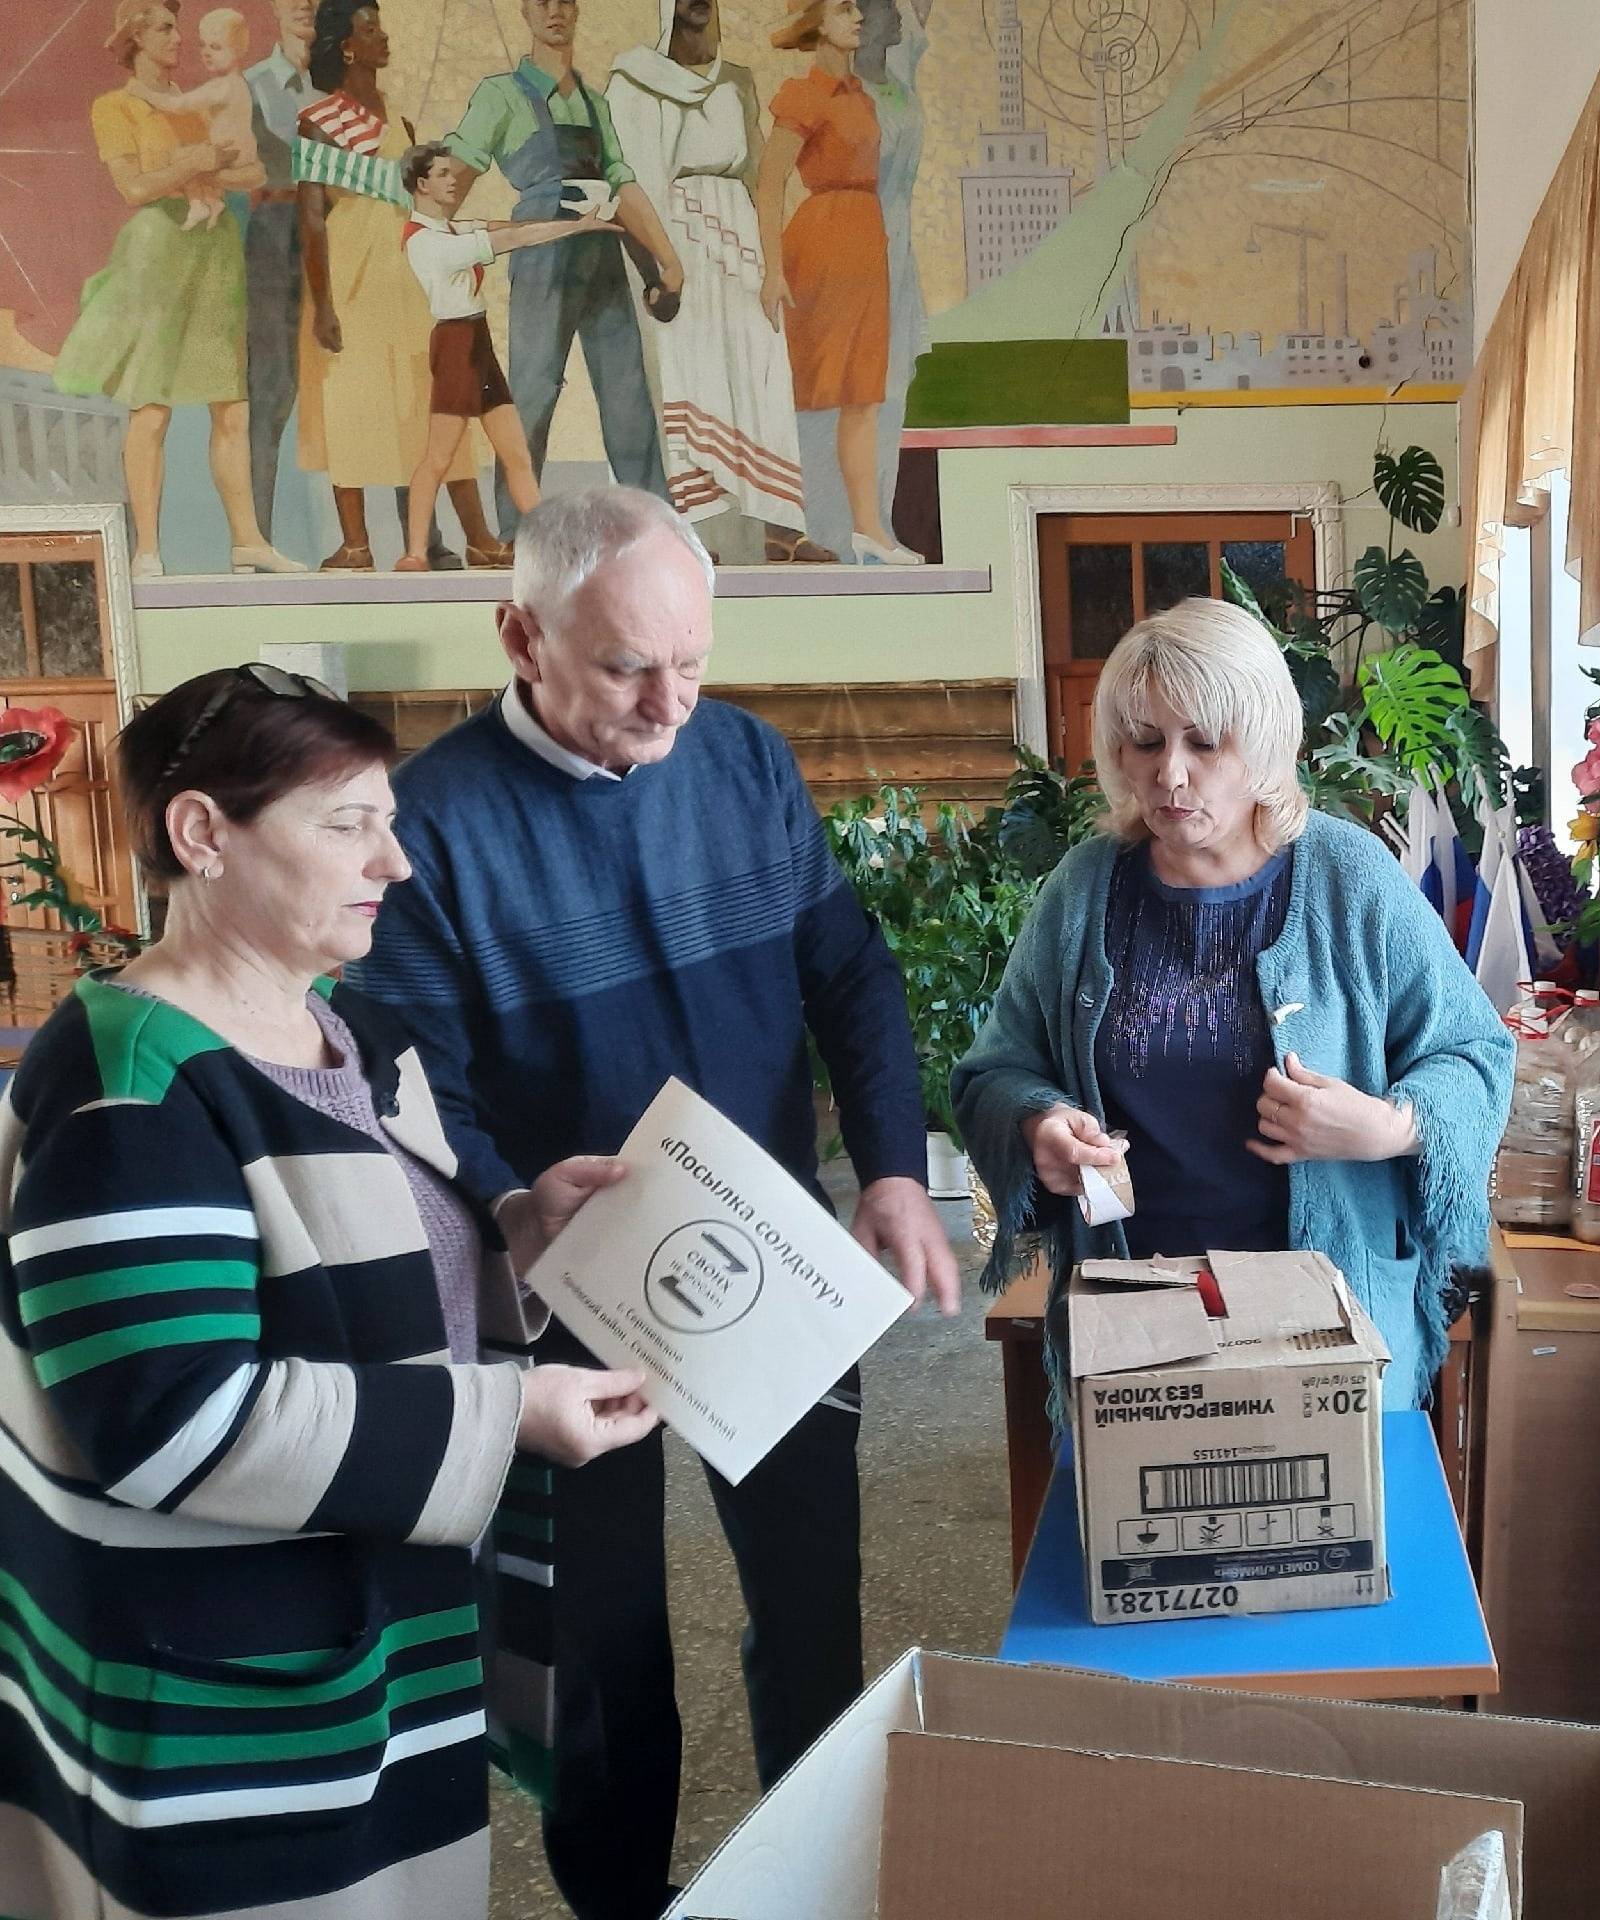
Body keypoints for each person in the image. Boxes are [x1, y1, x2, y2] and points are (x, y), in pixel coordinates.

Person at [352, 485, 958, 1920]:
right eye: (629, 667)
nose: (670, 702)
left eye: (692, 660)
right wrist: (506, 1198)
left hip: (766, 1258)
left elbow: (849, 973)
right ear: (520, 637)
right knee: (596, 1638)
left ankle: (819, 1882)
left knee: (811, 1605)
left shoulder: (741, 759)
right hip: (565, 1288)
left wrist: (890, 1164)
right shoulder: (429, 825)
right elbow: (410, 1079)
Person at [0, 664, 659, 1920]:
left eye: (390, 823)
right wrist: (509, 1416)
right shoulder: (132, 1091)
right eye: (349, 824)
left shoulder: (354, 1039)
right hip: (229, 1708)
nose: (394, 864)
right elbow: (169, 1418)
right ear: (203, 833)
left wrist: (521, 1233)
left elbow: (373, 1275)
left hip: (375, 1646)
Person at [952, 598, 1512, 1410]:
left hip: (1334, 1328)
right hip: (1134, 1326)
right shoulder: (1083, 891)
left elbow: (1476, 1052)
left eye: (1205, 743)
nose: (1170, 774)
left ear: (1266, 746)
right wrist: (1038, 1125)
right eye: (1146, 742)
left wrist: (1388, 1126)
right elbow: (995, 1072)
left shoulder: (1350, 879)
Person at [51, 0, 301, 579]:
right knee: (152, 407)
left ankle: (248, 541)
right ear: (136, 36)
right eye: (165, 28)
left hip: (214, 252)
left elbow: (255, 171)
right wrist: (199, 163)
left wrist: (201, 168)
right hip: (157, 254)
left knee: (232, 404)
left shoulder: (203, 100)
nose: (178, 38)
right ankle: (147, 550)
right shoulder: (114, 106)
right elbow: (134, 188)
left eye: (177, 27)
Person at [444, 0, 686, 533]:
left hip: (602, 250)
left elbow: (621, 183)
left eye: (565, 1)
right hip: (543, 250)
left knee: (627, 392)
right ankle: (515, 532)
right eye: (542, 2)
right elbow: (454, 175)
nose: (555, 11)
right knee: (532, 391)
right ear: (526, 13)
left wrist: (667, 259)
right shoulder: (501, 94)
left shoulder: (596, 103)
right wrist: (429, 242)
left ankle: (658, 530)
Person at [608, 0, 833, 561]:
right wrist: (659, 267)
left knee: (762, 370)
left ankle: (781, 530)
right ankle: (692, 535)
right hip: (677, 238)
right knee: (691, 374)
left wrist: (773, 265)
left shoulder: (736, 81)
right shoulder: (635, 78)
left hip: (741, 236)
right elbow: (633, 181)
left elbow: (757, 175)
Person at [294, 0, 501, 569]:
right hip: (351, 280)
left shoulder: (399, 118)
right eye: (370, 29)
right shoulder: (318, 121)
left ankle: (478, 537)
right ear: (347, 47)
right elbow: (311, 218)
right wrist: (323, 306)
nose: (383, 37)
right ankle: (356, 545)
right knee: (351, 403)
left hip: (408, 273)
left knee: (433, 402)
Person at [396, 142, 615, 571]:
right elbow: (512, 238)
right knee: (437, 457)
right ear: (421, 184)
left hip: (477, 343)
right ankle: (415, 553)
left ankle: (545, 547)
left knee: (517, 454)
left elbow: (505, 224)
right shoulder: (427, 243)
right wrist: (577, 229)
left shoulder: (449, 229)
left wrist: (570, 221)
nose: (453, 180)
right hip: (456, 345)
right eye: (442, 174)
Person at [758, 0, 921, 565]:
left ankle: (870, 529)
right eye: (844, 7)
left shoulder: (862, 97)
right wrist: (772, 269)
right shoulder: (804, 94)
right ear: (817, 22)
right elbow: (770, 183)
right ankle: (786, 525)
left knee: (863, 393)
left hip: (865, 245)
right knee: (812, 391)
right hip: (821, 246)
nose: (858, 16)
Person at [243, 0, 318, 542]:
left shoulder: (332, 93)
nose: (304, 5)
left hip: (330, 237)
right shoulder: (248, 86)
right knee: (272, 385)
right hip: (272, 233)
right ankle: (259, 535)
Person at [855, 0, 928, 544]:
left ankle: (879, 519)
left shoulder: (898, 83)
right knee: (859, 391)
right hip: (857, 243)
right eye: (884, 7)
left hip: (899, 250)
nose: (897, 13)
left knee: (894, 387)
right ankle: (852, 522)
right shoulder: (844, 90)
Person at [136, 6, 256, 231]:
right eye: (203, 45)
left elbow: (179, 105)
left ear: (238, 50)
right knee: (195, 158)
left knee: (182, 158)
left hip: (230, 155)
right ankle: (211, 201)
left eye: (216, 47)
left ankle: (198, 203)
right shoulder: (240, 84)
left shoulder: (222, 86)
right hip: (240, 153)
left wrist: (146, 94)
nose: (206, 53)